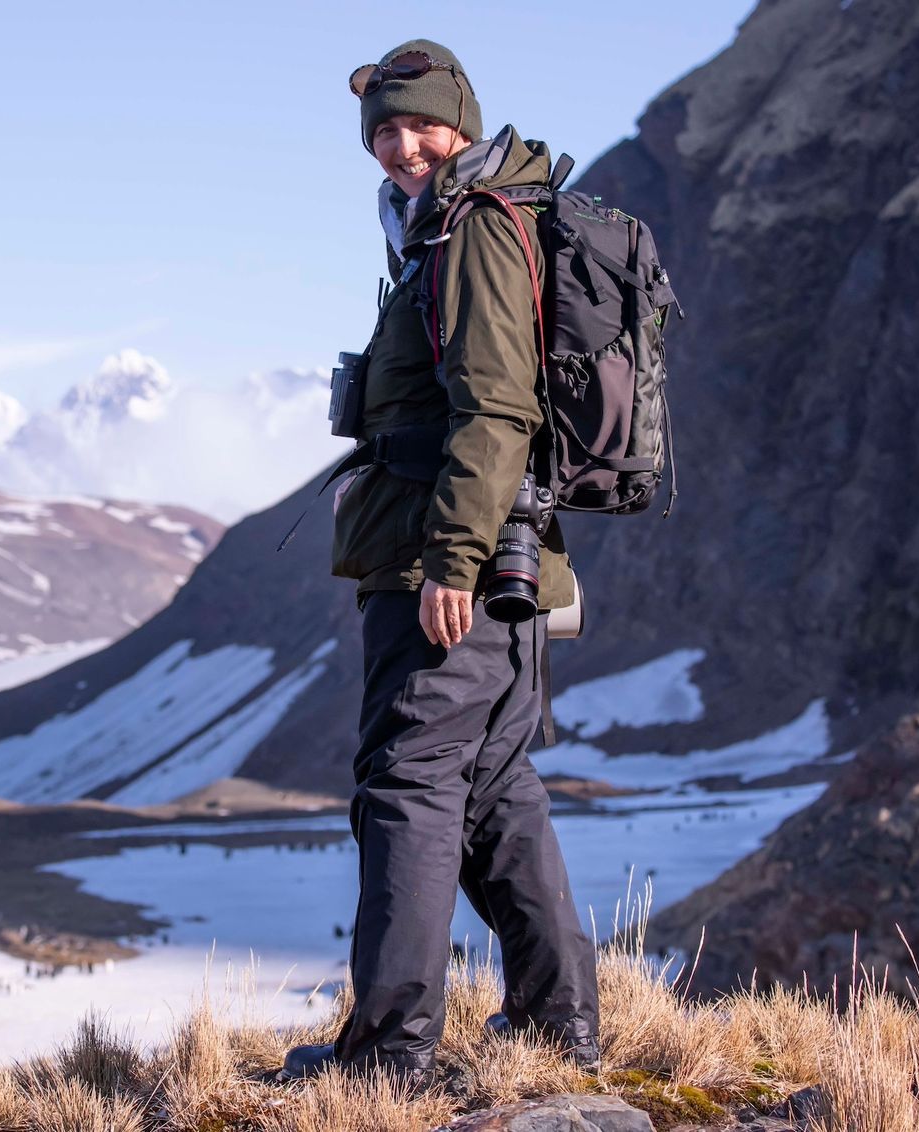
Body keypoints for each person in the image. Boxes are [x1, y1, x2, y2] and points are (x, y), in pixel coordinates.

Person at [282, 39, 601, 1083]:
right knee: (491, 789)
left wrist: (449, 563)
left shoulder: (473, 234)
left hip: (450, 572)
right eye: (383, 131)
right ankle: (559, 1025)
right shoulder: (454, 230)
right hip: (488, 567)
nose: (402, 146)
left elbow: (496, 410)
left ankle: (390, 1057)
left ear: (461, 122)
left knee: (408, 789)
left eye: (421, 124)